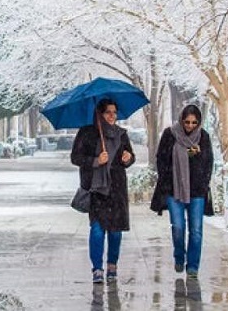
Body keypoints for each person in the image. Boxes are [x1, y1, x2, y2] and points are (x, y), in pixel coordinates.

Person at [71, 98, 136, 284]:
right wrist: (95, 161)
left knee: (115, 232)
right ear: (99, 114)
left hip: (117, 189)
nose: (112, 116)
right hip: (96, 189)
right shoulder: (86, 133)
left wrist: (128, 157)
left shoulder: (121, 135)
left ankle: (112, 265)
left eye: (114, 112)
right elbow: (75, 157)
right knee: (98, 230)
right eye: (108, 112)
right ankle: (97, 268)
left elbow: (130, 157)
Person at [150, 104, 214, 278]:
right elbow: (161, 159)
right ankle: (179, 257)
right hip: (174, 189)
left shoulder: (203, 137)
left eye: (194, 122)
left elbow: (208, 162)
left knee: (196, 230)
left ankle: (193, 265)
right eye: (187, 122)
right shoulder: (170, 135)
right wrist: (168, 178)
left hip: (197, 190)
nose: (190, 126)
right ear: (181, 120)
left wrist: (197, 159)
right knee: (178, 227)